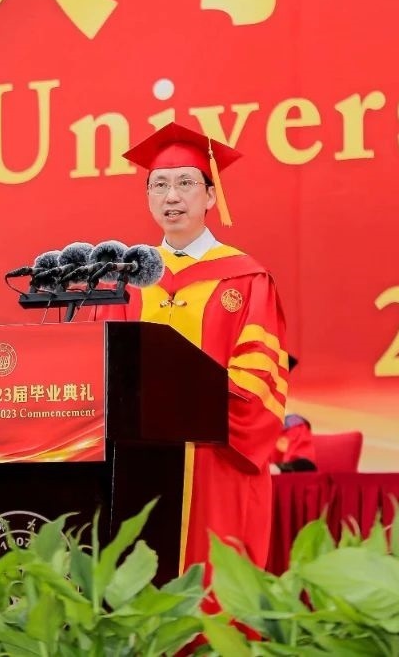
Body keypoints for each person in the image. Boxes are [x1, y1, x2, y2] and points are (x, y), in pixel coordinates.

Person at [112, 121, 290, 570]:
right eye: (159, 185)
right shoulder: (125, 282)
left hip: (216, 458)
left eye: (185, 183)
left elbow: (258, 380)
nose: (171, 196)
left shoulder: (246, 278)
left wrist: (186, 404)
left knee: (214, 581)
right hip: (139, 460)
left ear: (211, 196)